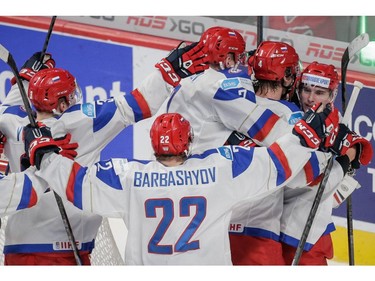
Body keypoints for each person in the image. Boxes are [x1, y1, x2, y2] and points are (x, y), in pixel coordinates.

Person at [25, 108, 341, 265]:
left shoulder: (128, 176)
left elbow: (78, 186)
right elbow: (277, 164)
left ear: (152, 144)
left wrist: (44, 156)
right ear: (188, 143)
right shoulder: (219, 169)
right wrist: (305, 134)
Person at [0, 41, 208, 265]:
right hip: (59, 253)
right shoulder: (80, 122)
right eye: (70, 97)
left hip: (16, 247)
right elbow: (136, 105)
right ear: (61, 104)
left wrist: (25, 79)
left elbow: (11, 104)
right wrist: (169, 69)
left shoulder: (10, 119)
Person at [280, 61, 373, 265]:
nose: (310, 98)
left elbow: (357, 151)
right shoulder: (285, 117)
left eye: (320, 92)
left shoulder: (337, 128)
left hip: (310, 232)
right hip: (276, 224)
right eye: (306, 90)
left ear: (332, 95)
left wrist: (347, 155)